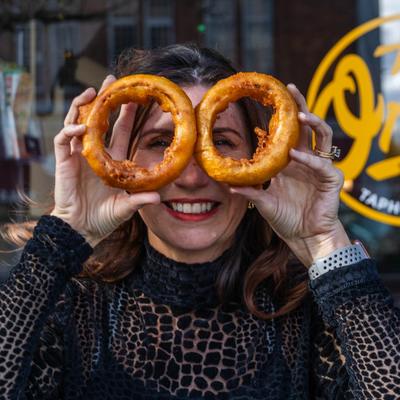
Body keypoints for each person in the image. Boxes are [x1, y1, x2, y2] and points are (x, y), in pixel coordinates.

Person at [0, 43, 399, 400]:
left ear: (261, 159)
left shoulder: (312, 311)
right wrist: (64, 236)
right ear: (122, 157)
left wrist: (323, 240)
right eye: (161, 142)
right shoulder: (69, 304)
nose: (191, 177)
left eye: (221, 141)